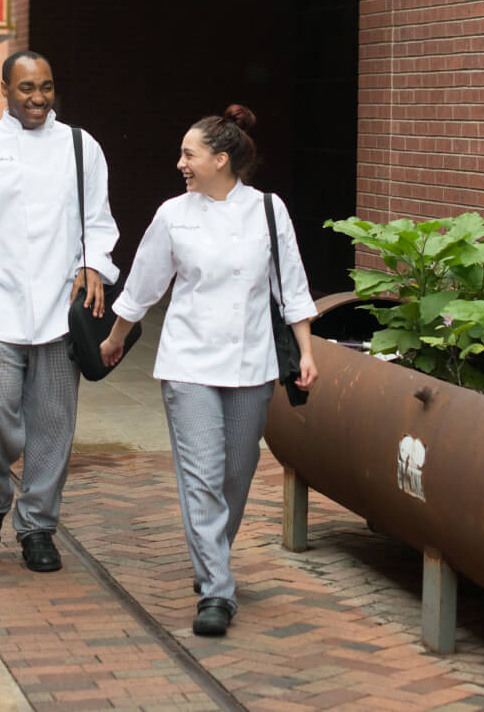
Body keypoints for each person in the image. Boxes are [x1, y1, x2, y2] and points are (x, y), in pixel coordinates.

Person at [97, 105, 318, 637]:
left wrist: (306, 351)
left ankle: (211, 557)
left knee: (235, 477)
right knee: (201, 476)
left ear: (221, 159)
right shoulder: (175, 214)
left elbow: (290, 284)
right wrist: (116, 337)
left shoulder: (269, 210)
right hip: (189, 362)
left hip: (252, 363)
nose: (181, 164)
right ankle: (217, 590)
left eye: (189, 154)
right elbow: (145, 284)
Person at [0, 51, 119, 573]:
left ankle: (38, 524)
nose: (38, 98)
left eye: (46, 87)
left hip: (63, 311)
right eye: (25, 89)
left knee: (55, 424)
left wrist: (95, 267)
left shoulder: (82, 147)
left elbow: (99, 222)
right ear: (3, 89)